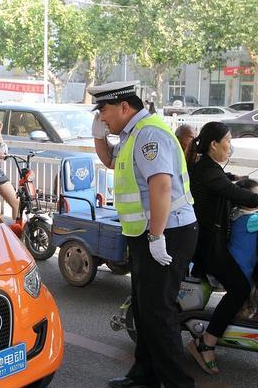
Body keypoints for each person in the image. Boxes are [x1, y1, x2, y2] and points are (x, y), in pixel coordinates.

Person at [89, 81, 197, 388]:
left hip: (168, 232)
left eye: (104, 111)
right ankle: (144, 376)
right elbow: (111, 161)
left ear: (124, 107)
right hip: (147, 233)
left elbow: (161, 186)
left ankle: (178, 383)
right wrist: (98, 136)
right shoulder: (131, 134)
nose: (102, 118)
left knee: (158, 313)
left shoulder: (149, 134)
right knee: (143, 307)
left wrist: (156, 236)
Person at [186, 121, 258, 375]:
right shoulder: (208, 171)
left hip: (210, 240)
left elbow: (226, 182)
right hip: (207, 245)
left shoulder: (208, 167)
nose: (230, 147)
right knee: (239, 288)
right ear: (214, 145)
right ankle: (205, 343)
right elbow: (238, 195)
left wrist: (238, 178)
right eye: (228, 142)